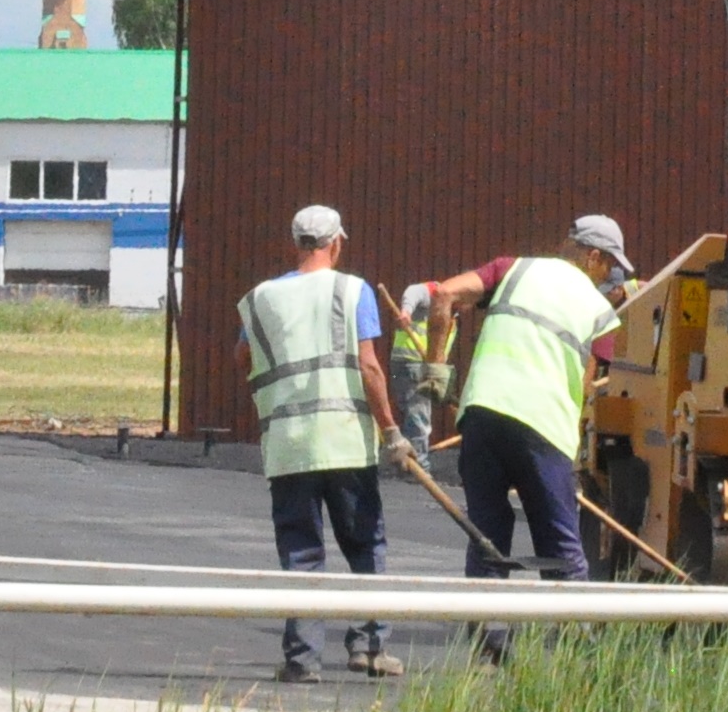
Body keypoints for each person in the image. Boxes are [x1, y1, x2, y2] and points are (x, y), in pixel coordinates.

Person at [417, 214, 635, 653]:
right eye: (609, 264)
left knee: (487, 530)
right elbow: (601, 383)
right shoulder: (599, 311)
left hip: (482, 415)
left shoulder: (511, 269)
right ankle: (579, 643)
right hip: (544, 428)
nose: (610, 275)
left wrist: (436, 366)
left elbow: (443, 295)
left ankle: (488, 638)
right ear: (592, 256)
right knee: (559, 539)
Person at [237, 202, 402, 682]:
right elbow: (369, 366)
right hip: (345, 441)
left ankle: (302, 660)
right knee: (366, 545)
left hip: (288, 444)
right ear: (337, 243)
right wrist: (390, 428)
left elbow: (242, 353)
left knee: (301, 552)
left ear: (295, 243)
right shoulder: (353, 291)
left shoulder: (261, 298)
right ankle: (370, 649)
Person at [384, 279, 453, 459]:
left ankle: (410, 461)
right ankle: (418, 464)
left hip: (423, 366)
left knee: (414, 415)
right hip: (411, 362)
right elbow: (414, 291)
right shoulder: (439, 293)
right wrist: (406, 311)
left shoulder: (454, 312)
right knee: (418, 416)